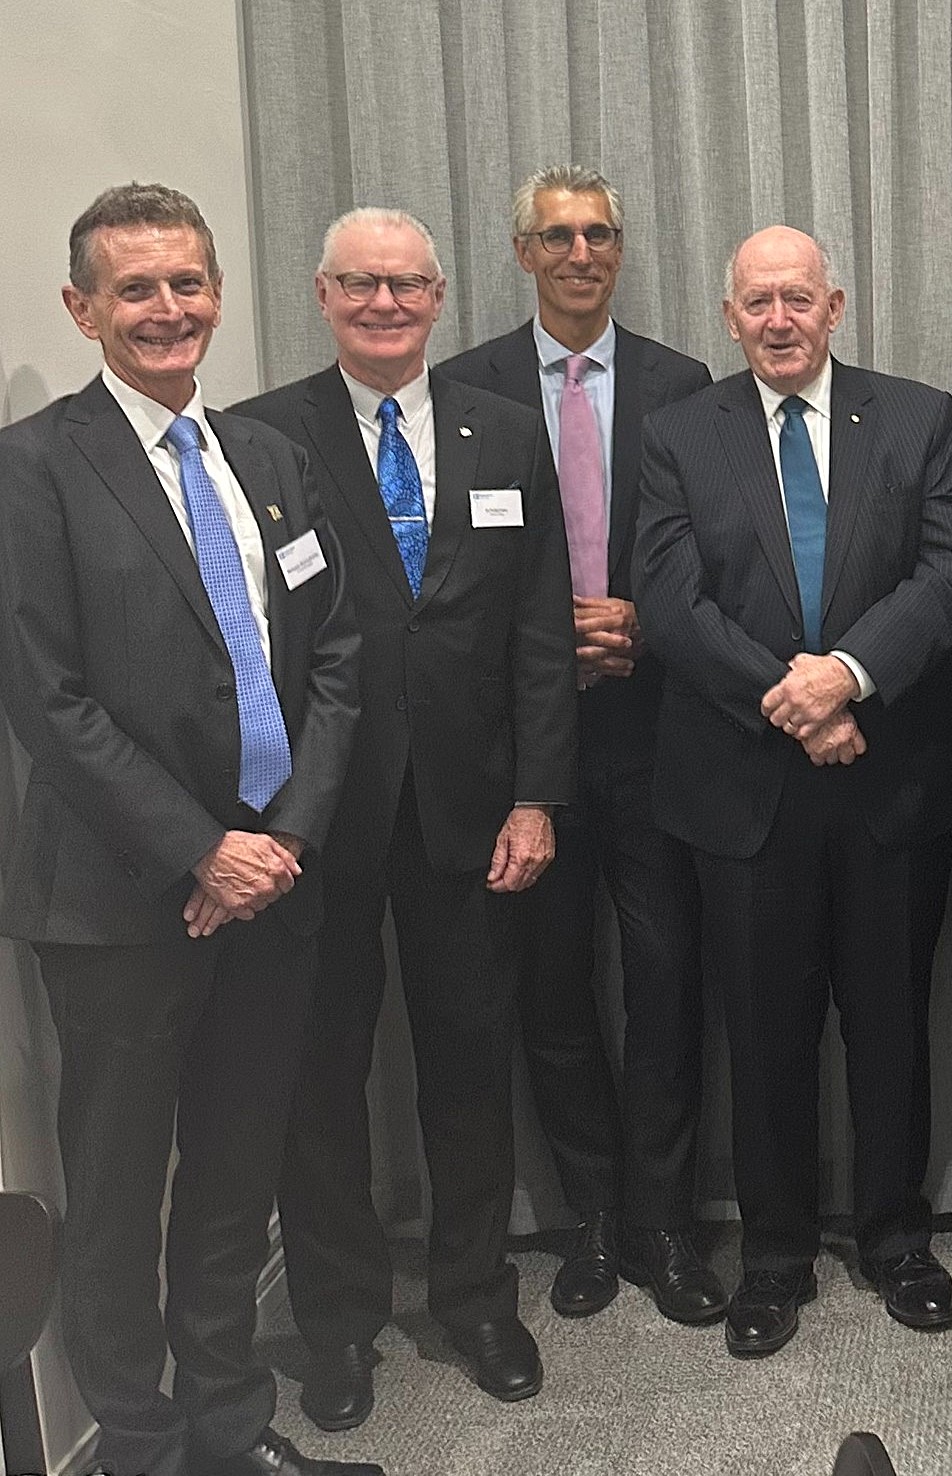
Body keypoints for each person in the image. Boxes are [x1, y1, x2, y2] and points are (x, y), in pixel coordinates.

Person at [0, 184, 373, 1476]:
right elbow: (45, 699)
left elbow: (335, 663)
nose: (168, 309)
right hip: (117, 906)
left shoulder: (267, 461)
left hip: (271, 887)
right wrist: (199, 848)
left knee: (232, 1175)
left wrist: (283, 841)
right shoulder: (33, 469)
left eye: (188, 283)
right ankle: (143, 1448)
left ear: (217, 293)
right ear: (82, 308)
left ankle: (228, 1425)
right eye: (137, 289)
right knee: (117, 1200)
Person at [231, 208, 576, 1422]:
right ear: (323, 294)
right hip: (315, 814)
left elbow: (539, 629)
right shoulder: (260, 436)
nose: (385, 303)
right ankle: (337, 1321)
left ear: (438, 297)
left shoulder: (506, 430)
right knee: (319, 1071)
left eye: (406, 285)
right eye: (361, 284)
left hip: (470, 808)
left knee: (469, 1061)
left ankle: (476, 1296)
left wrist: (537, 795)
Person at [632, 226, 952, 1358]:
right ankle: (774, 1255)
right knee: (764, 1032)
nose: (778, 320)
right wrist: (795, 699)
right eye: (756, 303)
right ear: (728, 317)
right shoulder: (680, 432)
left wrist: (850, 676)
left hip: (888, 779)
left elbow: (949, 574)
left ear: (835, 306)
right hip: (743, 787)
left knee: (890, 1025)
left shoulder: (918, 417)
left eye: (797, 299)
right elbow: (669, 601)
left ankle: (896, 1240)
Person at [438, 164, 721, 1325]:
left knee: (665, 980)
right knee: (551, 988)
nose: (579, 254)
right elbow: (452, 572)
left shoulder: (682, 384)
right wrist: (541, 637)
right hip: (524, 750)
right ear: (523, 253)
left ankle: (663, 1219)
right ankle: (592, 1216)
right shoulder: (463, 388)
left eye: (598, 233)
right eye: (555, 236)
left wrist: (648, 623)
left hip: (657, 729)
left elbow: (716, 549)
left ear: (619, 250)